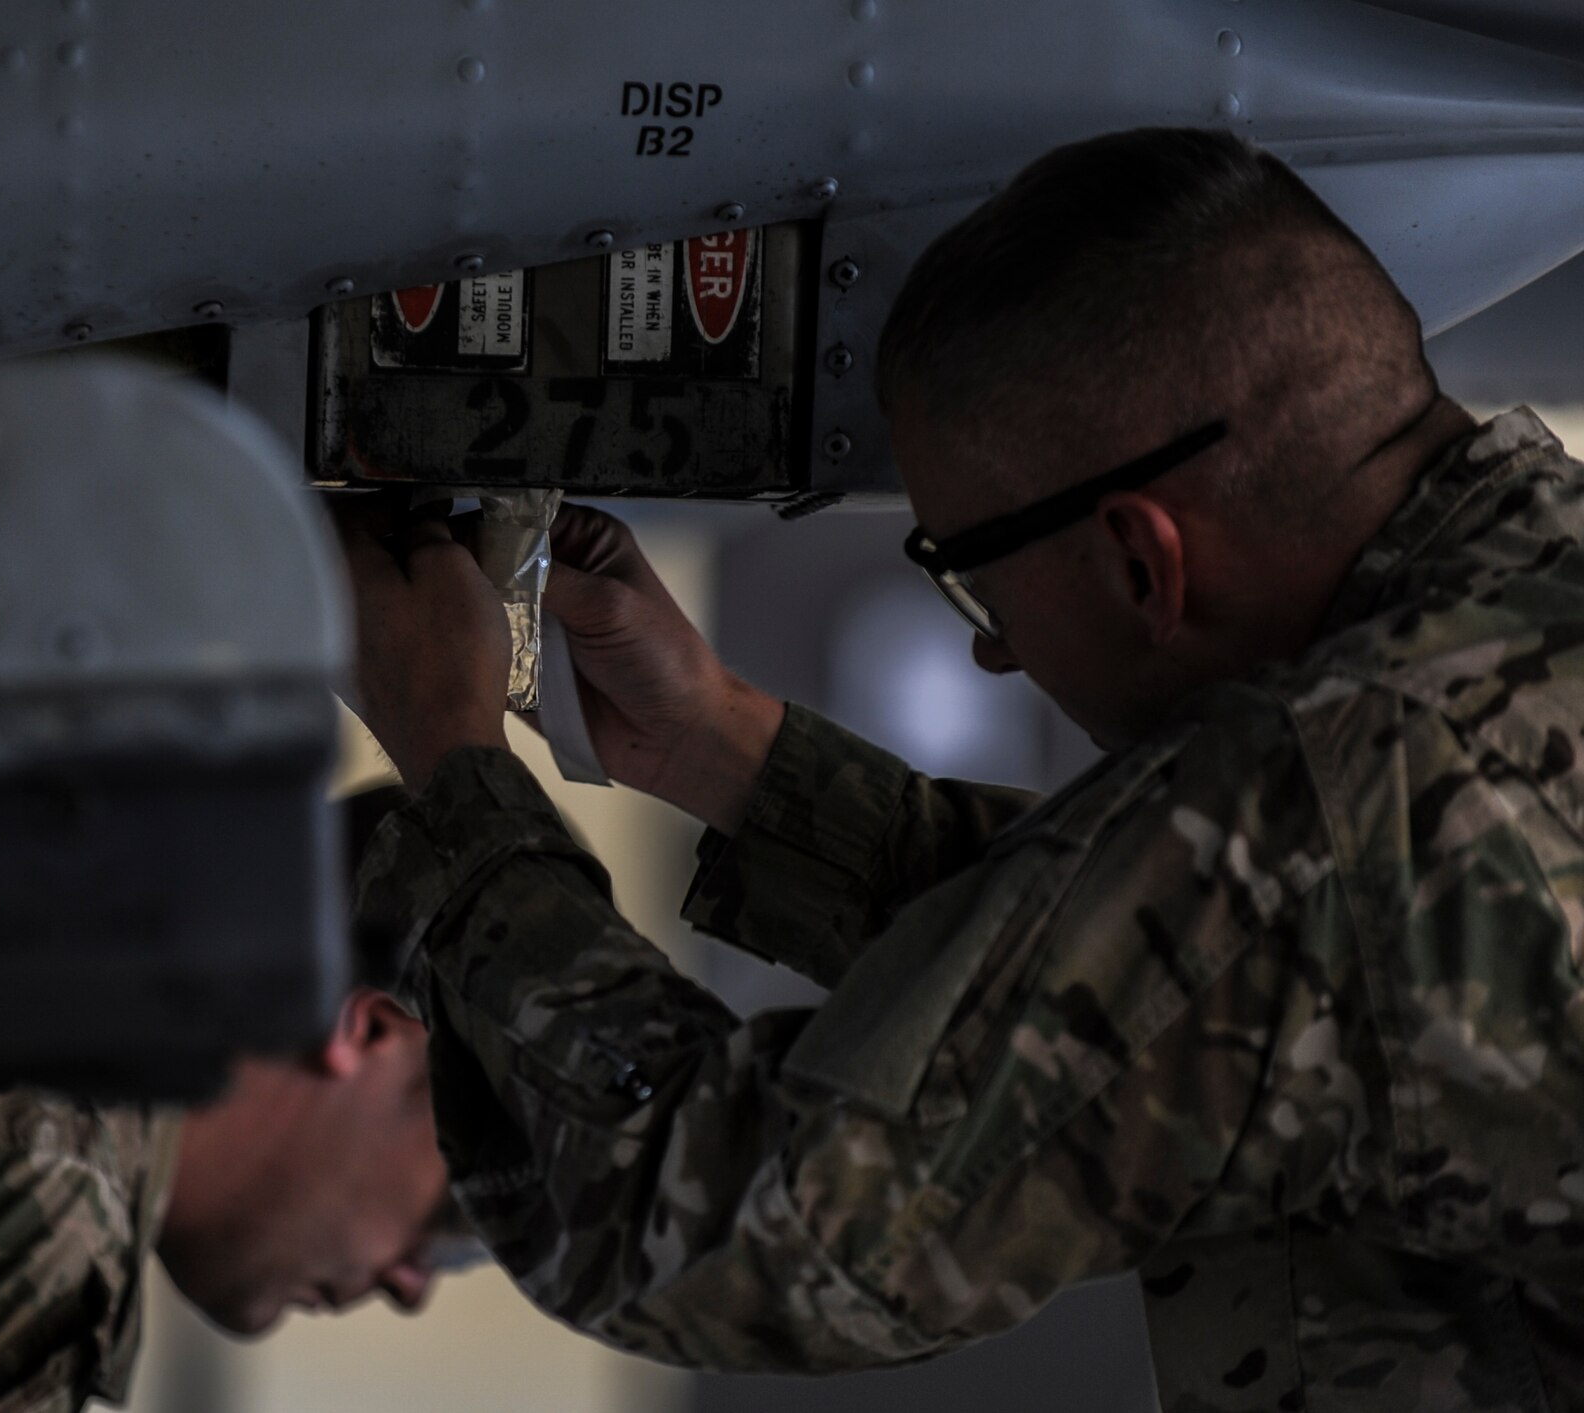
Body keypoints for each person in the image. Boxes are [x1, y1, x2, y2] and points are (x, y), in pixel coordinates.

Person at [340, 127, 1584, 1409]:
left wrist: (451, 761)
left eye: (979, 590)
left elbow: (739, 1225)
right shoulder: (1518, 626)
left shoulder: (1343, 794)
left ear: (1142, 563)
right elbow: (1183, 976)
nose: (994, 659)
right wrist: (727, 753)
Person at [0, 786, 470, 1413]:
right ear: (369, 1029)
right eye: (455, 1219)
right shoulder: (50, 1186)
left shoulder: (23, 966)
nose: (413, 1287)